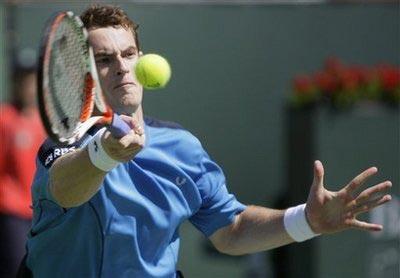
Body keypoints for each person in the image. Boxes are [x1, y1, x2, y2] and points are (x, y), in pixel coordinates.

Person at [24, 5, 392, 278]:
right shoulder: (68, 143)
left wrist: (307, 220)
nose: (121, 66)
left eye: (129, 53)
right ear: (81, 75)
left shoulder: (181, 147)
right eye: (104, 59)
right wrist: (104, 154)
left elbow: (230, 229)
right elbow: (65, 190)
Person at [0, 65, 45, 277]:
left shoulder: (43, 121)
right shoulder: (5, 118)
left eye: (33, 81)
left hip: (40, 214)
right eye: (24, 81)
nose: (29, 87)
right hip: (12, 214)